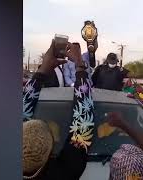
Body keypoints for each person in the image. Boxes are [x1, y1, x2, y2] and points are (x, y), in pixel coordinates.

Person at [22, 40, 94, 180]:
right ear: (50, 152)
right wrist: (79, 62)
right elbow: (83, 125)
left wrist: (42, 71)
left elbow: (83, 126)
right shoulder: (63, 173)